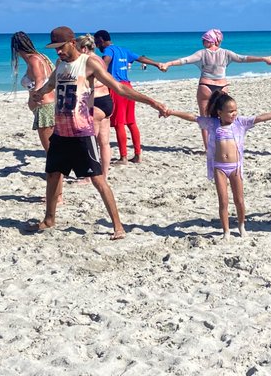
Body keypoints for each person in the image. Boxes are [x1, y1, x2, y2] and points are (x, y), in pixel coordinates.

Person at [26, 27, 168, 238]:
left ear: (72, 43)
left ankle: (118, 227)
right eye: (54, 49)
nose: (58, 52)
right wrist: (38, 94)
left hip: (82, 132)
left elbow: (119, 88)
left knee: (98, 180)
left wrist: (152, 102)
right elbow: (51, 84)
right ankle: (49, 219)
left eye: (61, 47)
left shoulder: (89, 63)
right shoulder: (60, 64)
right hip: (61, 131)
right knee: (53, 174)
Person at [165, 89, 271, 237]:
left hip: (235, 167)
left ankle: (242, 226)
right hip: (219, 168)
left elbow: (260, 118)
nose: (234, 113)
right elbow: (193, 118)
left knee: (239, 200)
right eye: (230, 111)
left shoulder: (240, 123)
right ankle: (226, 231)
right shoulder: (212, 123)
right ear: (219, 112)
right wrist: (172, 112)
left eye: (235, 110)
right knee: (223, 201)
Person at [160, 29, 271, 149]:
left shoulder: (202, 53)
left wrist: (168, 63)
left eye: (204, 40)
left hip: (205, 86)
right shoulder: (226, 53)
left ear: (210, 41)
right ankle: (221, 143)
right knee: (222, 117)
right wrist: (263, 59)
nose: (203, 42)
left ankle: (208, 148)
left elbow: (184, 60)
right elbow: (243, 58)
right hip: (222, 87)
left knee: (204, 120)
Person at [93, 29, 165, 164]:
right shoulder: (123, 50)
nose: (97, 46)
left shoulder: (108, 50)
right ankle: (137, 155)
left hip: (116, 88)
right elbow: (140, 58)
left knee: (119, 123)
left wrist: (98, 70)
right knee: (131, 122)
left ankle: (123, 157)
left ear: (102, 41)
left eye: (97, 43)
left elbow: (106, 62)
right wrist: (156, 64)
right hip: (128, 87)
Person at [11, 31, 56, 154]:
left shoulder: (33, 60)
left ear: (16, 48)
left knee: (49, 148)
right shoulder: (42, 56)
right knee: (54, 145)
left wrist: (36, 96)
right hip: (50, 104)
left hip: (44, 106)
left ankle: (55, 172)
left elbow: (40, 79)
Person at [78, 34, 113, 178]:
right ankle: (104, 174)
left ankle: (91, 176)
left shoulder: (88, 61)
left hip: (96, 102)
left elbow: (81, 82)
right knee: (104, 143)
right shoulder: (100, 59)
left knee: (91, 142)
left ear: (84, 48)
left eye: (77, 48)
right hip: (107, 101)